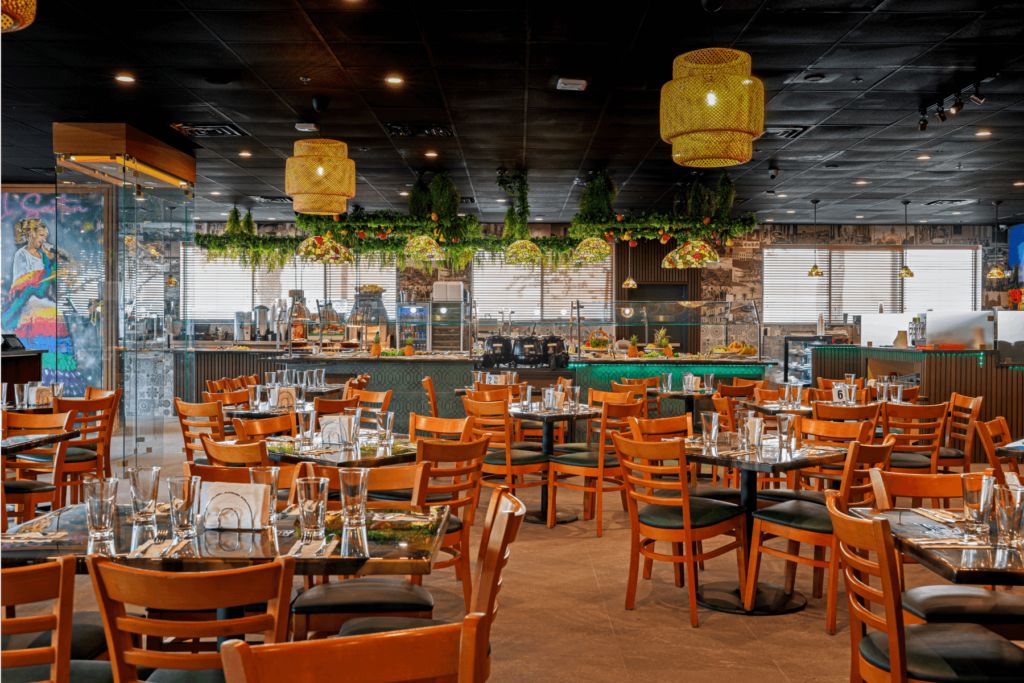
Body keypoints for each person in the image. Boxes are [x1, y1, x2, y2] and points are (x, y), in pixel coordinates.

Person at [3, 217, 85, 394]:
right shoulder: (21, 255)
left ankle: (55, 396)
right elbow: (24, 285)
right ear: (30, 234)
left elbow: (49, 284)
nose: (43, 240)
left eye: (45, 236)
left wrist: (55, 262)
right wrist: (47, 269)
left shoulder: (43, 255)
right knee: (37, 352)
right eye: (40, 235)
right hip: (33, 309)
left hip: (50, 308)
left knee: (55, 352)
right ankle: (35, 395)